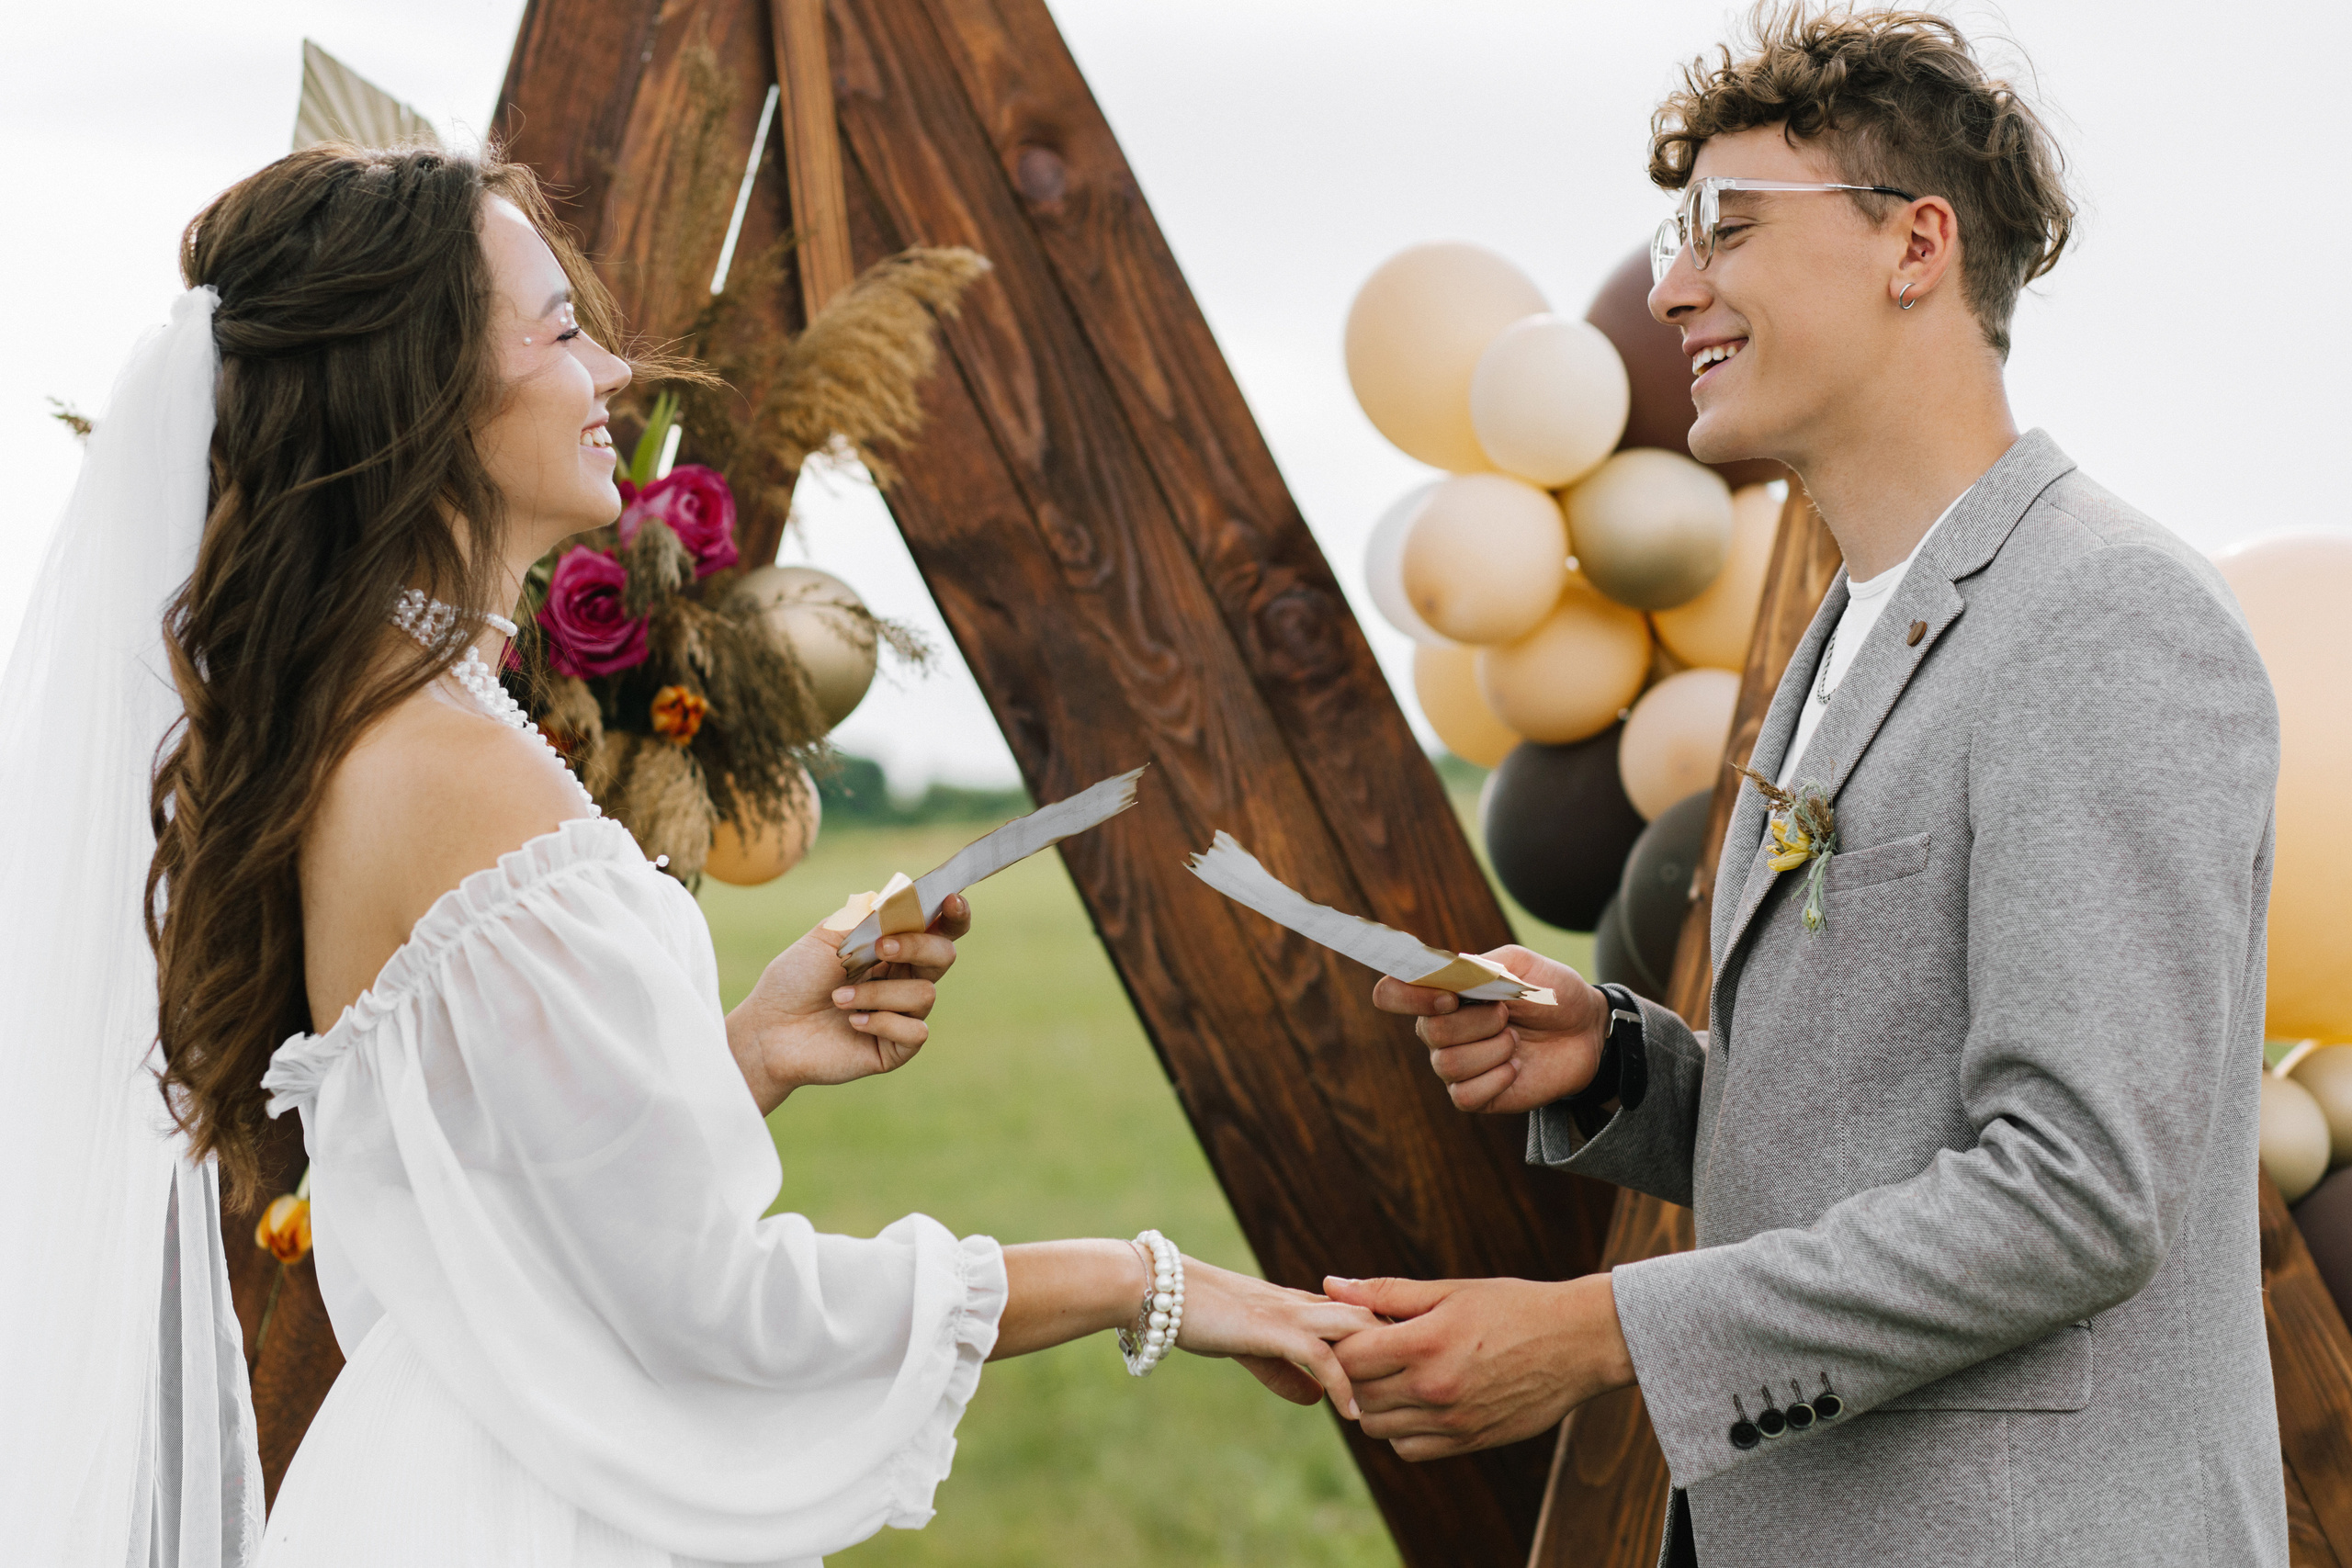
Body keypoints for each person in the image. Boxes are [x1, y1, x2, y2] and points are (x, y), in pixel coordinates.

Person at [2, 144, 1375, 1568]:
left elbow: (519, 1210)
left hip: (443, 1481)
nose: (613, 374)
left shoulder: (380, 720)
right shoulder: (455, 771)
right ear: (422, 388)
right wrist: (1139, 1280)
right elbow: (714, 1313)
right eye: (559, 331)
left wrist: (753, 1049)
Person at [1329, 9, 2287, 1566]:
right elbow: (1883, 1127)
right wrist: (1612, 1070)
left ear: (1916, 245)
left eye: (1729, 228)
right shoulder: (1847, 624)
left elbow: (2078, 1194)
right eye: (1674, 235)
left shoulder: (2111, 619)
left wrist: (1601, 1333)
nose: (1670, 286)